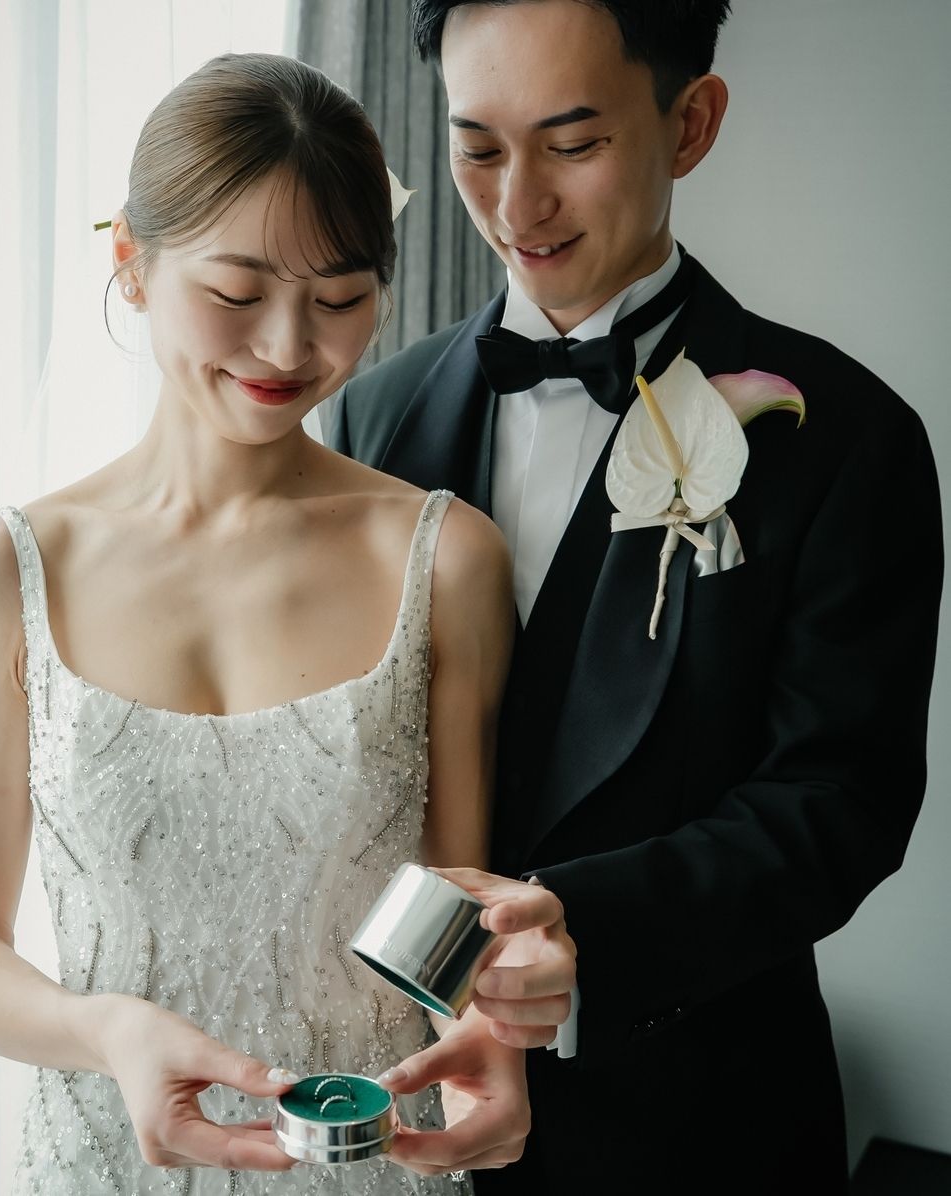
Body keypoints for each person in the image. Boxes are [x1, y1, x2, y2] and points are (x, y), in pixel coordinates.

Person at [0, 52, 570, 1195]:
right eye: (235, 294)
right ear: (131, 263)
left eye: (340, 299)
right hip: (103, 1157)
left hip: (367, 1157)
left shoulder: (443, 559)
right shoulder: (10, 571)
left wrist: (493, 1045)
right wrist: (108, 1029)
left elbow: (452, 914)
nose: (286, 347)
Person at [327, 1, 943, 1190]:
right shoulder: (369, 414)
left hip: (699, 1129)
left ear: (690, 122)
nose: (516, 208)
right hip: (397, 1120)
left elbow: (838, 800)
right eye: (476, 147)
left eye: (571, 144)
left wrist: (587, 928)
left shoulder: (843, 436)